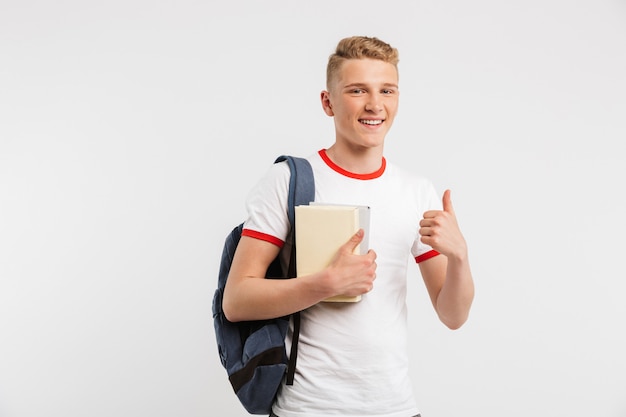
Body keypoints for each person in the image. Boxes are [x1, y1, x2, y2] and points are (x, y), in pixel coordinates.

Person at [222, 36, 475, 417]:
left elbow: (453, 316)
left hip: (395, 407)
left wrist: (459, 257)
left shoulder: (417, 191)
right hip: (308, 409)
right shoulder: (287, 181)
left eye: (386, 90)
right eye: (358, 90)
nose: (375, 104)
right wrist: (326, 284)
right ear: (328, 102)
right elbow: (236, 301)